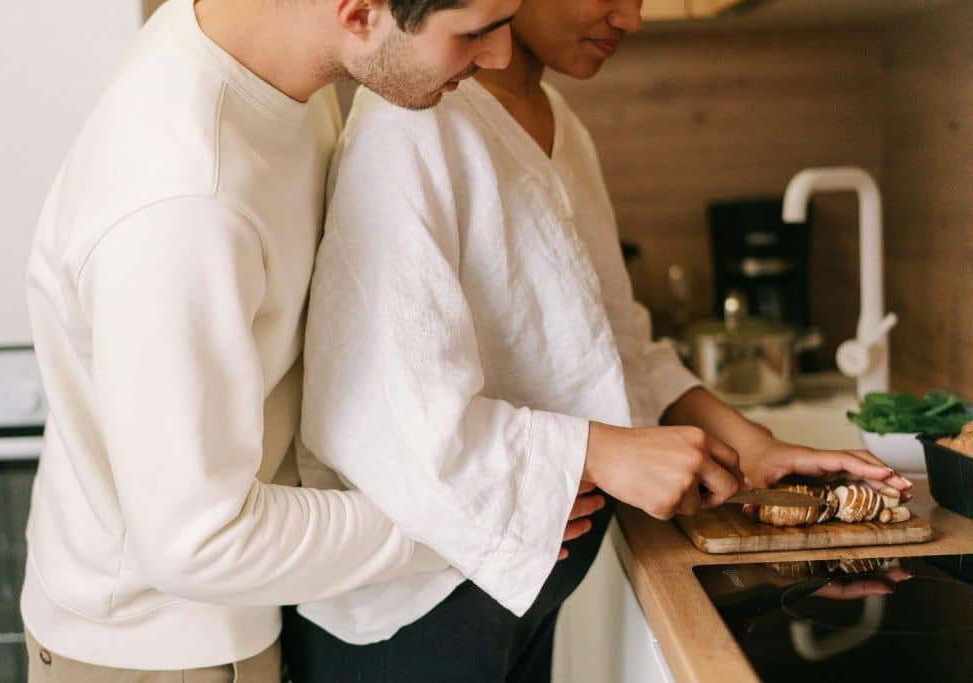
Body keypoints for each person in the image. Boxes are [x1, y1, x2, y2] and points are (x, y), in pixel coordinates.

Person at [289, 0, 913, 679]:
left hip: (526, 588)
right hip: (421, 614)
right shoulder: (411, 122)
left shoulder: (564, 127)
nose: (632, 18)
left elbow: (616, 343)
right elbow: (386, 410)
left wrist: (751, 445)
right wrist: (598, 449)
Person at [20, 0, 533, 679]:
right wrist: (455, 517)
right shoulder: (181, 201)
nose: (501, 56)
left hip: (228, 617)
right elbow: (197, 540)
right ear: (357, 14)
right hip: (161, 650)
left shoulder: (271, 60)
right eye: (474, 32)